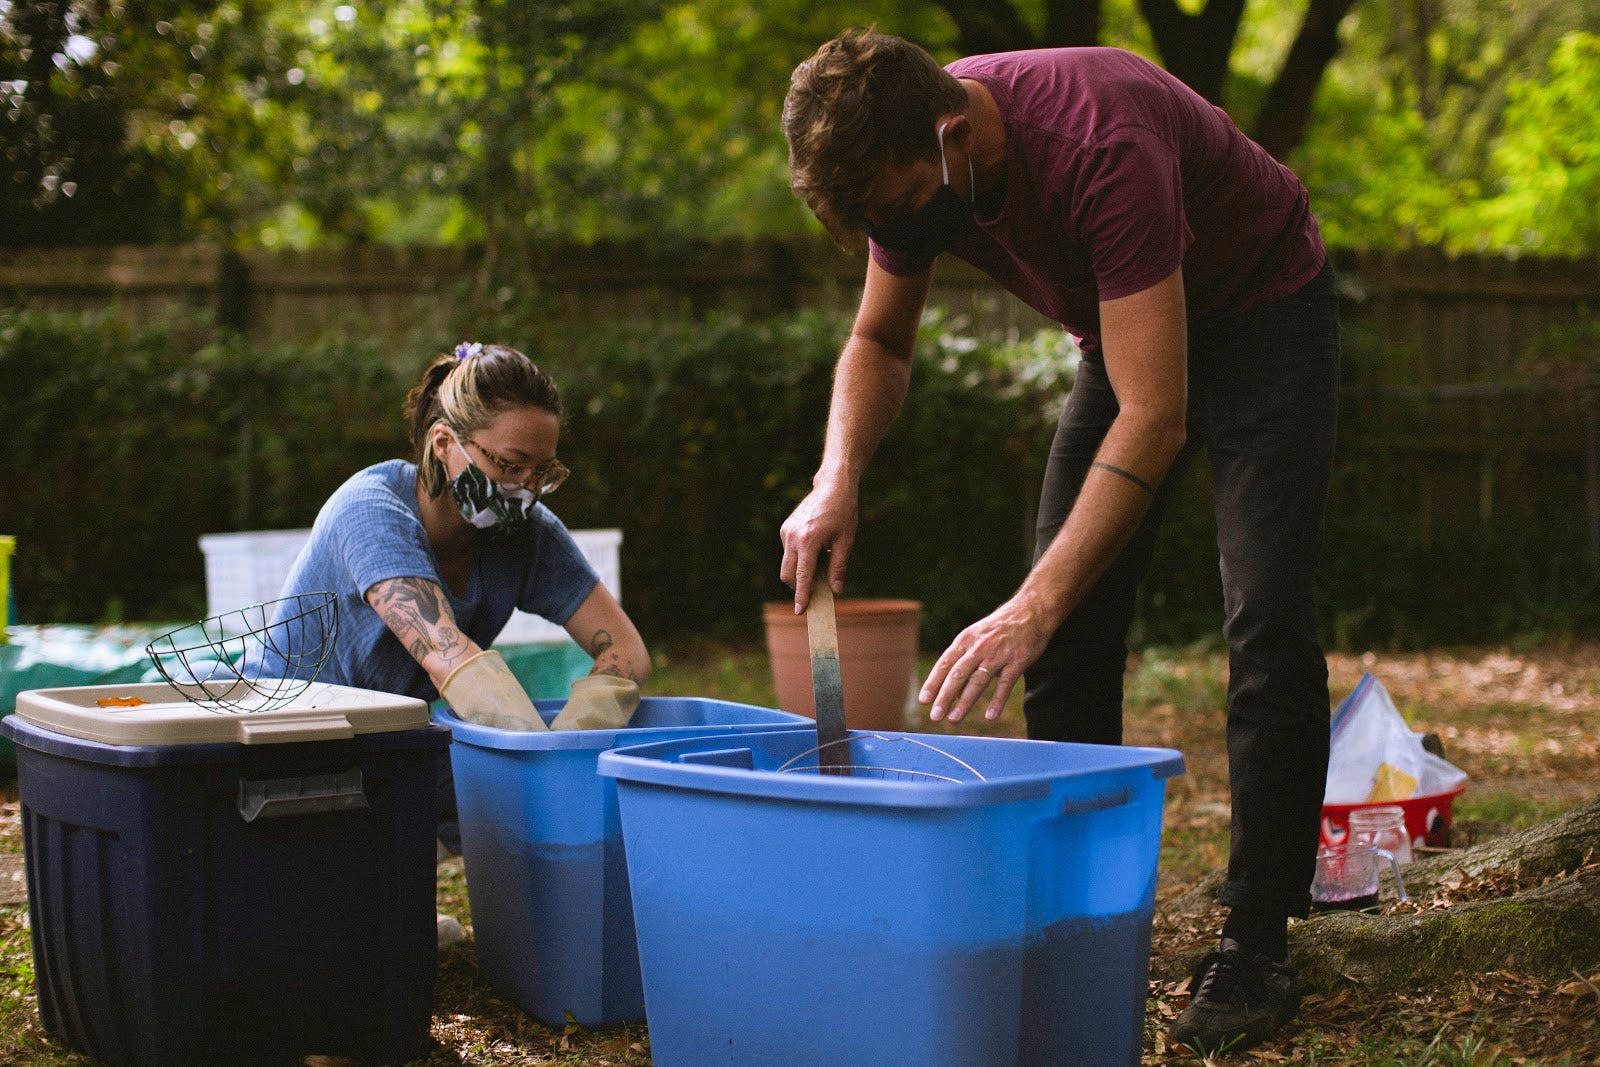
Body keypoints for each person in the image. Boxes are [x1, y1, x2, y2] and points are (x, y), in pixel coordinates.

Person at [778, 29, 1340, 1054]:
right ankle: (1083, 916)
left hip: (1262, 311)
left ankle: (1257, 941)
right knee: (1066, 634)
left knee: (1264, 617)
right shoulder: (904, 161)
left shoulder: (1095, 141)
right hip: (1125, 335)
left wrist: (1032, 598)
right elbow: (878, 338)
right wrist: (835, 478)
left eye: (899, 210)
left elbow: (1155, 416)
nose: (898, 231)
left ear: (952, 137)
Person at [260, 341, 651, 846]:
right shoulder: (371, 510)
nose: (525, 487)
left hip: (394, 746)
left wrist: (570, 742)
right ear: (444, 443)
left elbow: (626, 651)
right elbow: (447, 655)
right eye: (509, 465)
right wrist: (543, 773)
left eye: (542, 472)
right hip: (287, 747)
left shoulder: (525, 532)